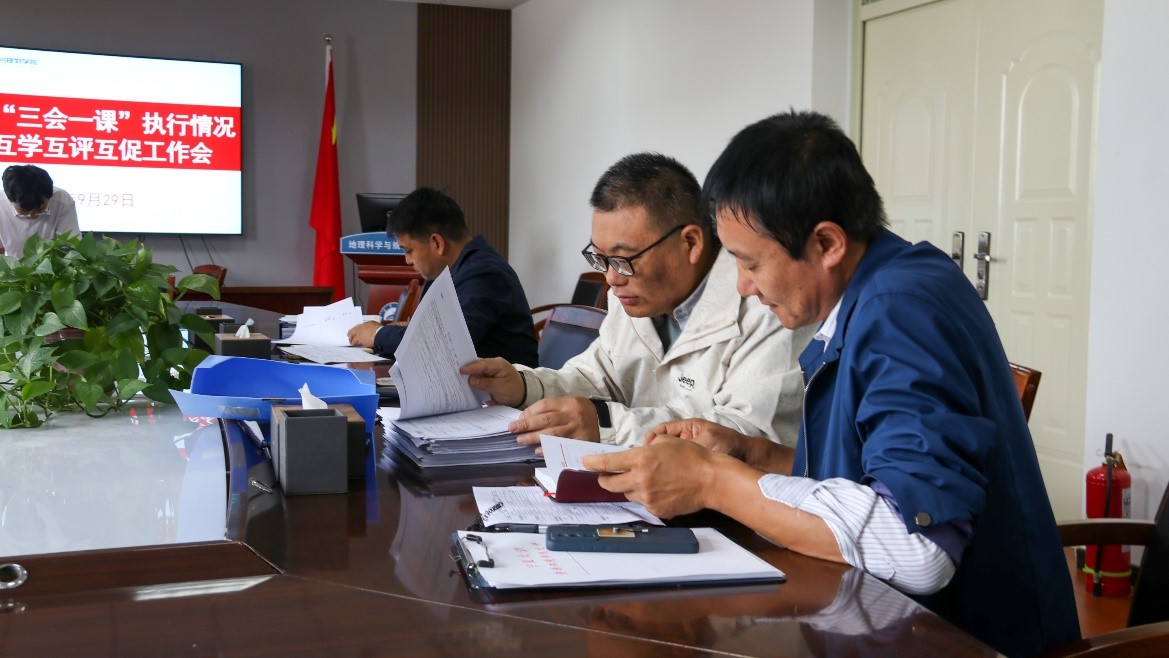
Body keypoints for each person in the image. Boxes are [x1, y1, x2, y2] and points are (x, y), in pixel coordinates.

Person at [581, 111, 1080, 657]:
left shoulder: (901, 311)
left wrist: (713, 482)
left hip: (964, 640)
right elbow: (865, 479)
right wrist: (753, 454)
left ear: (825, 243)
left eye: (750, 264)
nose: (743, 287)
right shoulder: (872, 293)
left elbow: (916, 545)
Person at [462, 152, 814, 448]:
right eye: (601, 259)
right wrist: (523, 386)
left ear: (691, 243)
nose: (611, 278)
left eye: (623, 259)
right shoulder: (632, 296)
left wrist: (605, 425)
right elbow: (596, 378)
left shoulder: (768, 305)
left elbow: (748, 436)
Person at [346, 187, 538, 367]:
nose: (407, 260)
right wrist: (402, 329)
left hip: (502, 391)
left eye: (409, 250)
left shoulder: (485, 274)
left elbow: (444, 345)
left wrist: (378, 334)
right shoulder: (451, 271)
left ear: (437, 243)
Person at [1, 164, 79, 256]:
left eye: (40, 209)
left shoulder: (62, 200)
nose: (32, 216)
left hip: (52, 262)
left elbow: (71, 244)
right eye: (24, 211)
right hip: (12, 263)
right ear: (9, 199)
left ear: (50, 196)